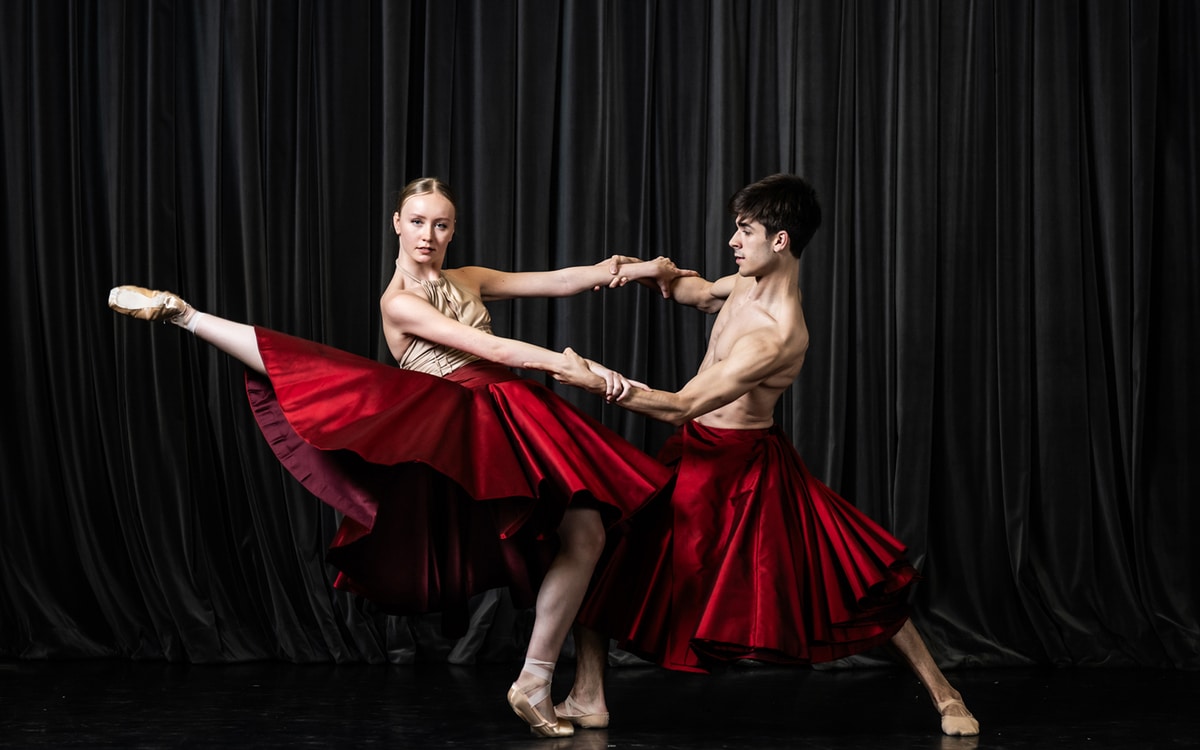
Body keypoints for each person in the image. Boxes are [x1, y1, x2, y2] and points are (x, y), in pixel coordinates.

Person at [107, 176, 695, 739]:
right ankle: (185, 315)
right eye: (417, 222)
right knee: (320, 375)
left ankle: (561, 685)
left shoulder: (468, 278)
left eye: (442, 225)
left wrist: (642, 270)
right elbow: (485, 346)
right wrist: (570, 367)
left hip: (515, 409)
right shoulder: (398, 302)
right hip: (462, 422)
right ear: (396, 223)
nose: (428, 236)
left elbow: (564, 278)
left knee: (591, 531)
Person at [524, 174, 980, 737]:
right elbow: (695, 292)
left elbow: (682, 405)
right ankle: (588, 694)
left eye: (745, 231)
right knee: (606, 549)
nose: (734, 241)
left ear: (781, 240)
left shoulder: (777, 334)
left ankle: (946, 694)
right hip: (692, 454)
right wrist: (651, 271)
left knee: (846, 579)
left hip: (742, 467)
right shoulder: (745, 285)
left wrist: (592, 379)